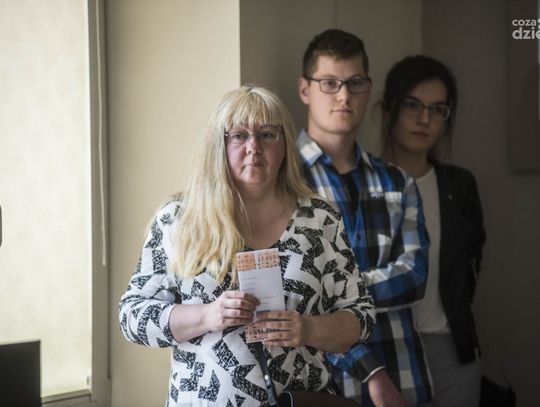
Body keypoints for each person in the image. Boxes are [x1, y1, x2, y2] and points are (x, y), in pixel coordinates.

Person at [118, 85, 375, 407]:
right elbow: (132, 317)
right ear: (218, 145)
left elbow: (361, 317)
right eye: (239, 136)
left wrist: (308, 329)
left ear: (285, 144)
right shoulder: (179, 220)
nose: (254, 147)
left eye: (267, 135)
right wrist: (208, 315)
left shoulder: (319, 220)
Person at [296, 29, 431, 406]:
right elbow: (297, 297)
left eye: (355, 83)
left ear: (368, 89)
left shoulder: (397, 181)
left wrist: (339, 297)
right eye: (329, 83)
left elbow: (415, 275)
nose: (344, 96)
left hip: (403, 374)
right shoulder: (285, 183)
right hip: (323, 385)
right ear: (305, 89)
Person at [381, 55, 486, 406]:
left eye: (437, 109)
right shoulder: (365, 184)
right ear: (389, 109)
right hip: (386, 348)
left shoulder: (459, 186)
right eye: (412, 105)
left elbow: (471, 262)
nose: (424, 119)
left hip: (451, 349)